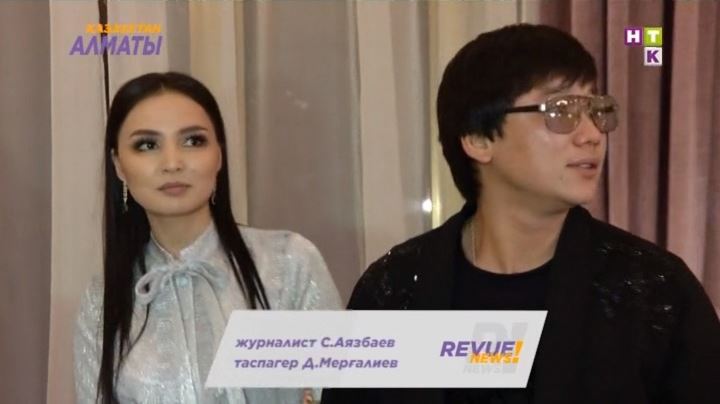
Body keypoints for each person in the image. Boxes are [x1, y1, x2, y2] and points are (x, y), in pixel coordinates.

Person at [322, 23, 720, 404]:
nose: (592, 135)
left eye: (597, 110)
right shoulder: (393, 290)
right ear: (479, 139)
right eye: (561, 110)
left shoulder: (655, 291)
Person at [74, 72, 342, 404]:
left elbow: (335, 391)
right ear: (118, 165)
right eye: (147, 145)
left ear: (219, 155)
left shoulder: (288, 263)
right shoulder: (102, 301)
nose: (172, 163)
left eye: (193, 141)